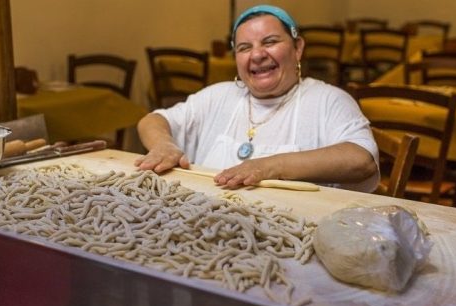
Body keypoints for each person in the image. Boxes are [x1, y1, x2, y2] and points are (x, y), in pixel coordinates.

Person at [135, 4, 379, 192]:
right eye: (244, 48)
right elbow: (153, 120)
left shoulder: (328, 100)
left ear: (298, 48)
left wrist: (268, 166)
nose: (257, 54)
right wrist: (163, 145)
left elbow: (362, 160)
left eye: (270, 42)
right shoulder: (218, 96)